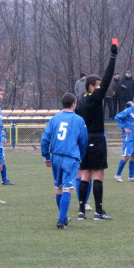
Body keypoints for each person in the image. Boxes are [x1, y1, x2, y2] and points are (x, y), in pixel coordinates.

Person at [74, 44, 118, 221]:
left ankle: (81, 212)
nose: (102, 88)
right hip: (96, 138)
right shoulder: (93, 98)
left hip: (84, 140)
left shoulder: (80, 100)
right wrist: (113, 57)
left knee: (85, 175)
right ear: (91, 86)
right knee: (98, 174)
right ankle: (99, 212)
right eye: (98, 86)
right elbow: (107, 79)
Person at [41, 93, 88, 229]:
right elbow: (83, 141)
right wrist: (81, 156)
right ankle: (61, 220)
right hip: (70, 156)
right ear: (74, 103)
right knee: (67, 188)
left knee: (59, 188)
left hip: (56, 156)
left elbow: (45, 139)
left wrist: (46, 156)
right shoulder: (79, 120)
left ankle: (63, 217)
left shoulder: (54, 119)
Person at [114, 95, 134, 182]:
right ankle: (117, 175)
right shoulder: (128, 110)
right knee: (126, 156)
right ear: (133, 102)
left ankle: (131, 176)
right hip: (129, 137)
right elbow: (117, 117)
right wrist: (124, 128)